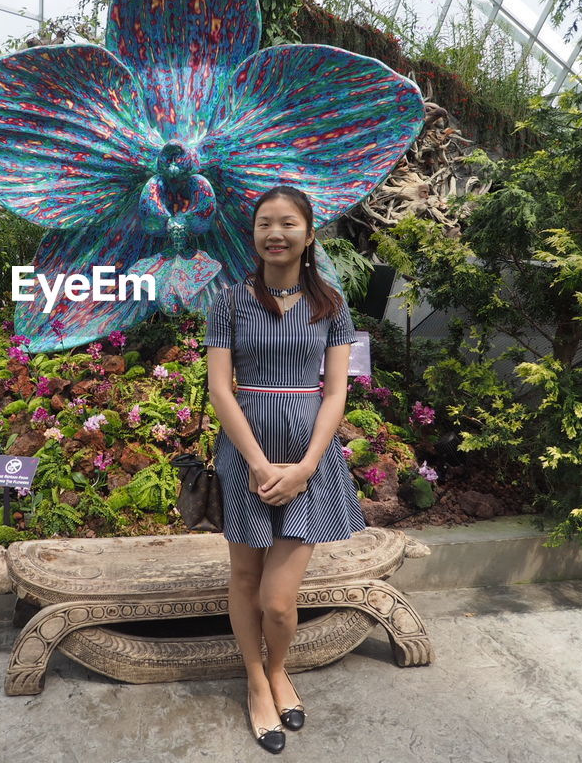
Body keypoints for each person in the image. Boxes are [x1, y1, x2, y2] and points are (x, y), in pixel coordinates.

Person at [203, 184, 367, 755]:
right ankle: (256, 681)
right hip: (245, 457)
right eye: (265, 224)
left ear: (309, 233)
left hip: (309, 463)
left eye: (288, 223)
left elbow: (336, 394)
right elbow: (219, 389)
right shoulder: (227, 300)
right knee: (245, 580)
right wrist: (255, 460)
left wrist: (304, 468)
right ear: (253, 236)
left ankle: (279, 670)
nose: (276, 233)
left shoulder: (332, 304)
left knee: (278, 599)